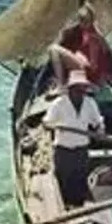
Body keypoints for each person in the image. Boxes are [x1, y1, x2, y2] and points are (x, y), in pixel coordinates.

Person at [43, 70, 104, 207]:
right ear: (70, 90)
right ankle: (64, 207)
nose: (80, 92)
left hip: (81, 151)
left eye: (82, 89)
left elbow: (97, 121)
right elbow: (46, 123)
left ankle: (80, 208)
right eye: (77, 89)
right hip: (63, 152)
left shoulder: (89, 103)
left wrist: (100, 130)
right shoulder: (59, 104)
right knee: (63, 184)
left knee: (80, 182)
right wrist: (57, 126)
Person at [49, 4, 112, 89]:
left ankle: (60, 85)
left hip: (86, 70)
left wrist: (80, 57)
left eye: (84, 21)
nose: (81, 23)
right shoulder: (87, 30)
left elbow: (93, 65)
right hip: (84, 66)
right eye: (80, 20)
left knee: (53, 49)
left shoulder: (93, 37)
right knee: (58, 49)